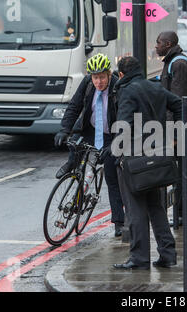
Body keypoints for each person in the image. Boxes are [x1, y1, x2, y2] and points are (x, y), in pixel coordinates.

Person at [112, 56, 182, 270]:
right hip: (157, 154)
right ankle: (168, 253)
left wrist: (116, 151)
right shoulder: (155, 87)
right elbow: (179, 104)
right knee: (155, 206)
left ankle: (139, 258)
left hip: (134, 159)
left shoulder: (127, 91)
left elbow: (124, 125)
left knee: (135, 210)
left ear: (121, 74)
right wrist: (175, 134)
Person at [54, 53, 125, 237]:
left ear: (109, 74)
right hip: (90, 130)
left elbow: (125, 117)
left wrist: (115, 145)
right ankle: (71, 165)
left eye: (102, 77)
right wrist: (64, 129)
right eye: (95, 77)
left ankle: (119, 221)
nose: (98, 82)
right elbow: (74, 107)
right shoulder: (87, 84)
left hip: (111, 135)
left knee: (112, 177)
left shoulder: (118, 88)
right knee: (75, 146)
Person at [155, 31, 187, 227]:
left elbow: (178, 103)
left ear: (168, 44)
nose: (156, 46)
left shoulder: (178, 64)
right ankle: (182, 214)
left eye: (159, 42)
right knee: (179, 172)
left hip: (182, 130)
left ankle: (184, 214)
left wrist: (174, 134)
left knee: (181, 173)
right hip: (180, 128)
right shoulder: (172, 61)